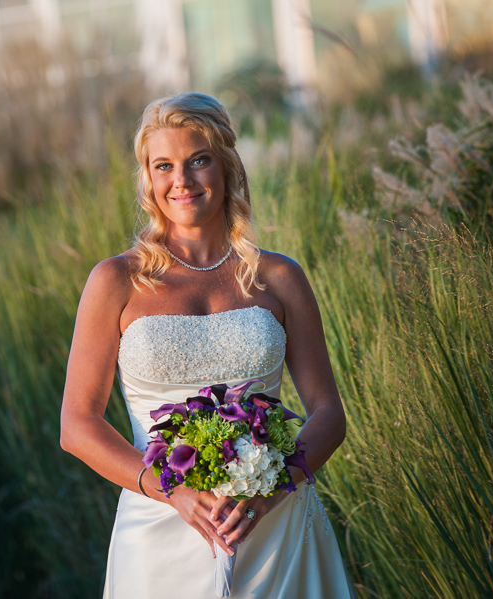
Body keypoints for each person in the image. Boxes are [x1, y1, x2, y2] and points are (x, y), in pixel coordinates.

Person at [59, 93, 355, 598]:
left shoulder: (280, 278)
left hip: (275, 525)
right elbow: (77, 426)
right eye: (164, 165)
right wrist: (172, 490)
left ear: (228, 166)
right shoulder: (115, 281)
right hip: (159, 530)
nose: (183, 180)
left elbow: (328, 412)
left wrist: (272, 490)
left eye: (199, 160)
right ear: (149, 180)